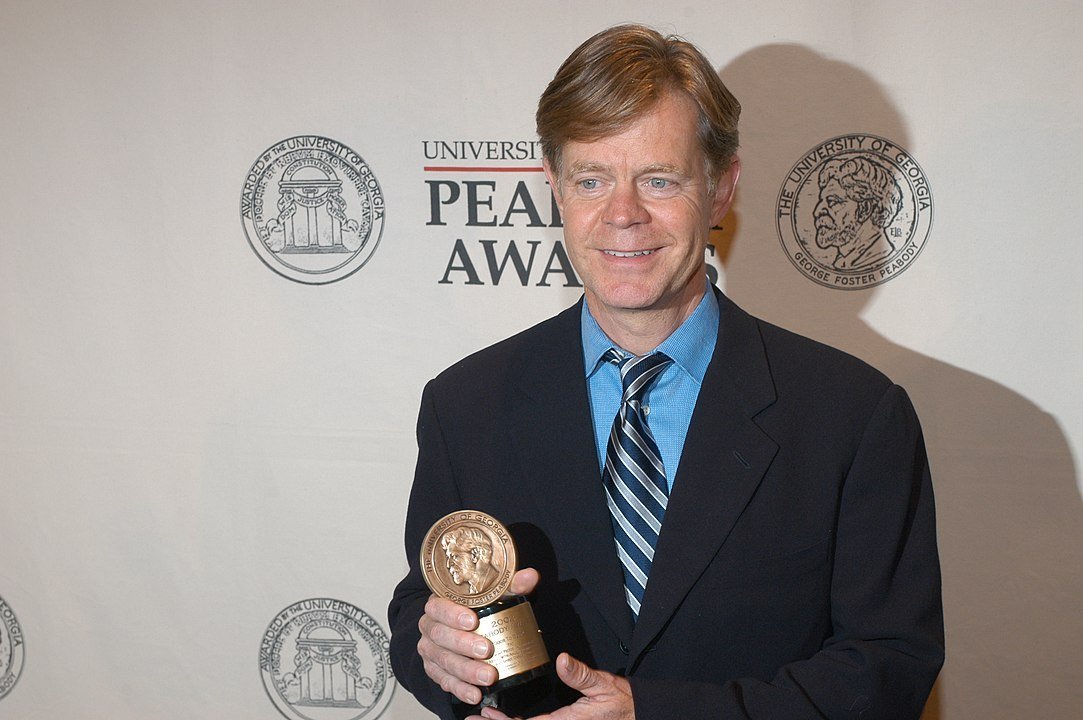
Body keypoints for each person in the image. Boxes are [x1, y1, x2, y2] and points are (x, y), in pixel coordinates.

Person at [389, 23, 943, 720]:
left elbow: (887, 666)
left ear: (719, 190)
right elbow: (423, 605)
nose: (623, 214)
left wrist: (649, 712)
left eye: (658, 179)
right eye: (592, 178)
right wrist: (435, 651)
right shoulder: (464, 404)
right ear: (554, 189)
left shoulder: (853, 416)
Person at [813, 155, 903, 271]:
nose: (817, 212)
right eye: (822, 202)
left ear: (864, 209)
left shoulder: (876, 259)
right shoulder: (843, 263)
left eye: (832, 202)